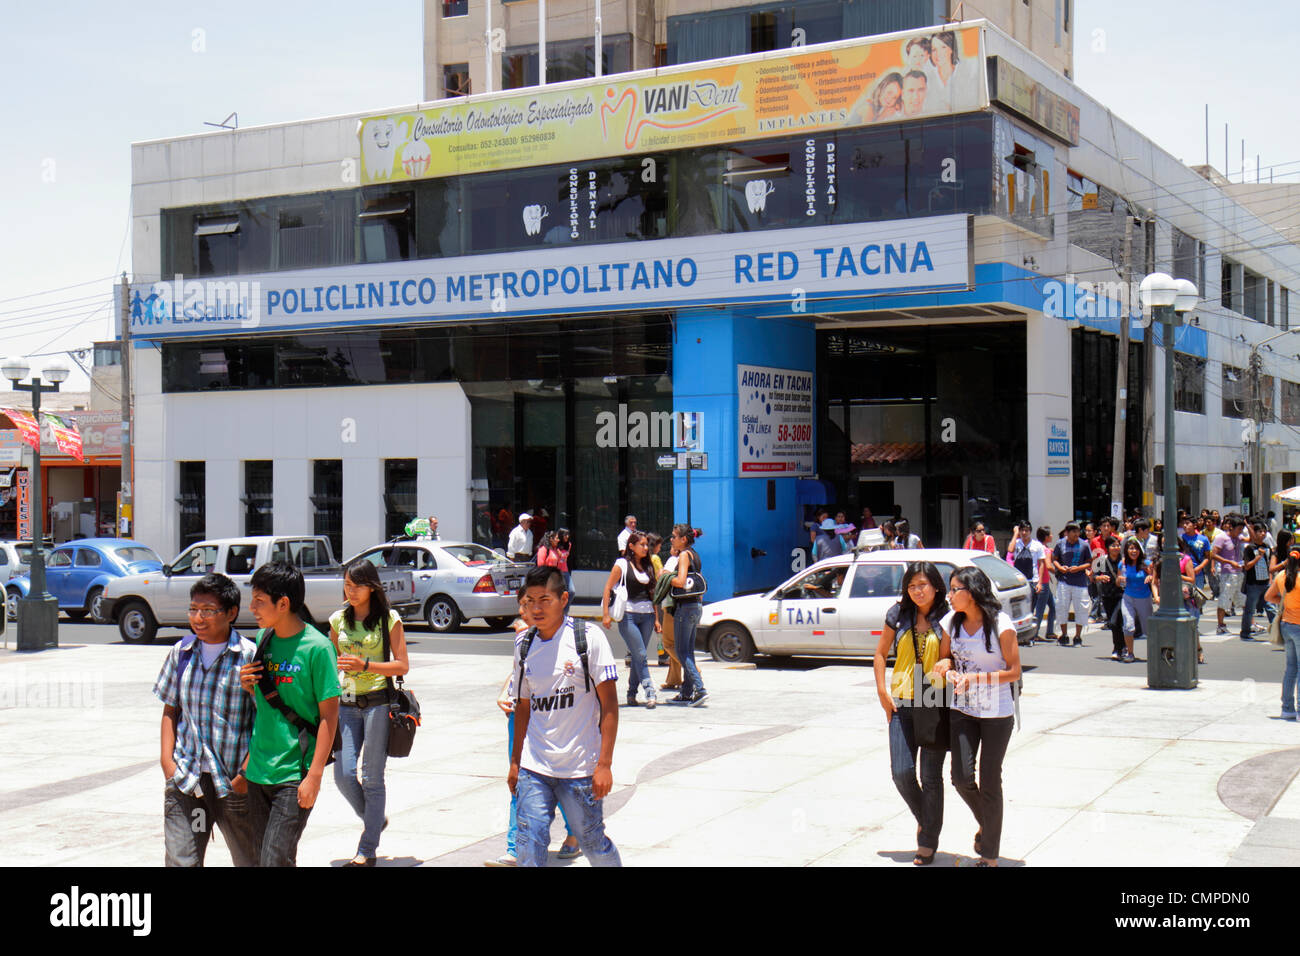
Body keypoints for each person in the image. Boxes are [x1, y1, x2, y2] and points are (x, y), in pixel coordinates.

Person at [509, 565, 622, 867]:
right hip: (536, 767)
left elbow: (610, 707)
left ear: (564, 599)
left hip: (580, 769)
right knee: (529, 842)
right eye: (530, 600)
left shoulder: (589, 638)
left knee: (592, 842)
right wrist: (516, 762)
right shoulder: (523, 644)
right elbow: (522, 706)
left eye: (544, 600)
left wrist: (605, 765)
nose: (536, 608)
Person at [238, 561, 340, 867]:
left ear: (283, 604)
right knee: (267, 860)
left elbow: (328, 717)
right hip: (259, 770)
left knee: (273, 860)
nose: (252, 607)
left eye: (259, 601)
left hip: (295, 773)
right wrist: (248, 685)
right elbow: (266, 702)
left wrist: (315, 776)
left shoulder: (318, 648)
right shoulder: (263, 640)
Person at [154, 572, 259, 867]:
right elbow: (170, 710)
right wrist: (168, 763)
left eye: (208, 611)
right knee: (182, 860)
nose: (198, 618)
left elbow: (263, 720)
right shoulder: (181, 653)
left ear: (231, 613)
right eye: (194, 609)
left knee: (250, 860)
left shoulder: (249, 656)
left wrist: (245, 774)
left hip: (233, 785)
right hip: (188, 783)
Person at [933, 566, 1020, 867]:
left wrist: (977, 679)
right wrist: (945, 666)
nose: (950, 595)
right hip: (963, 709)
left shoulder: (1000, 624)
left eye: (955, 589)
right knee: (960, 777)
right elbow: (944, 657)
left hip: (997, 712)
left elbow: (1014, 671)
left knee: (990, 779)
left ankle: (989, 855)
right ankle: (988, 822)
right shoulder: (951, 622)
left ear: (971, 592)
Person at [328, 559, 409, 867]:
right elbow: (330, 660)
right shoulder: (337, 620)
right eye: (346, 585)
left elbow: (402, 665)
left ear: (372, 586)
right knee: (343, 775)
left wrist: (365, 665)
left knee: (372, 778)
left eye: (356, 585)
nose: (350, 591)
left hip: (377, 703)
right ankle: (374, 819)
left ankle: (367, 849)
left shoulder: (389, 619)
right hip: (346, 703)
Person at [488, 606, 580, 866]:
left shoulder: (562, 640)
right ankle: (514, 848)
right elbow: (519, 675)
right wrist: (504, 693)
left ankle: (575, 832)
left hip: (546, 720)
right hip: (519, 717)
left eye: (526, 607)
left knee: (553, 782)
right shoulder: (522, 640)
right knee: (519, 781)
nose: (521, 613)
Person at [874, 562, 949, 865]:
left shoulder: (947, 615)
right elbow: (881, 653)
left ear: (935, 586)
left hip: (932, 694)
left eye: (923, 584)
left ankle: (927, 842)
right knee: (901, 773)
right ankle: (928, 822)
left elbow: (951, 657)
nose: (918, 591)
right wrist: (881, 690)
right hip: (901, 697)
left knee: (930, 777)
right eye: (912, 585)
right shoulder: (898, 614)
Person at [602, 531, 658, 709]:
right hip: (628, 615)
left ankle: (631, 694)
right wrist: (605, 614)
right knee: (641, 654)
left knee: (637, 656)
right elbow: (608, 588)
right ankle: (650, 691)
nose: (645, 547)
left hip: (648, 615)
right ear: (631, 546)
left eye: (646, 544)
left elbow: (653, 594)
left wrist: (657, 619)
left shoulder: (648, 566)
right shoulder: (622, 564)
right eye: (641, 544)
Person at [668, 524, 708, 706]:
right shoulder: (694, 555)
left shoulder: (684, 555)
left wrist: (665, 576)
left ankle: (700, 689)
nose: (671, 539)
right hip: (696, 606)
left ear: (683, 539)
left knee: (681, 651)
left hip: (685, 608)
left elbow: (681, 581)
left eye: (674, 536)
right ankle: (686, 692)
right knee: (688, 651)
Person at [1264, 543, 1300, 720]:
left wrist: (1286, 603)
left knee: (1291, 668)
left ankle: (1287, 707)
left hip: (1286, 624)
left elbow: (1269, 597)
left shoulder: (1282, 576)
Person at [1052, 523, 1092, 646]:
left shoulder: (1084, 545)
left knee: (1080, 609)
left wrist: (1079, 568)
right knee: (1062, 607)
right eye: (1073, 531)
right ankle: (1064, 635)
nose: (1076, 534)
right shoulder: (1060, 544)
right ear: (1067, 532)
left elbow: (1089, 562)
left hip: (1080, 582)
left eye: (1078, 531)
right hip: (1064, 581)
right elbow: (1054, 559)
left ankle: (1078, 637)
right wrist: (1060, 567)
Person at [1117, 538, 1155, 664]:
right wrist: (1120, 579)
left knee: (1148, 629)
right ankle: (1130, 652)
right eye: (1131, 548)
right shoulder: (1122, 564)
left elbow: (1154, 578)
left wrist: (1150, 576)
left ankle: (1154, 654)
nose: (1133, 551)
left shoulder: (1146, 564)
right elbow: (1117, 581)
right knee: (1128, 625)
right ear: (1126, 550)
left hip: (1144, 598)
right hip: (1128, 597)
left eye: (1136, 549)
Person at [656, 533, 683, 692]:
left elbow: (662, 575)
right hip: (681, 605)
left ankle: (693, 670)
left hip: (670, 604)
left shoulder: (673, 560)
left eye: (673, 541)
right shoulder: (689, 558)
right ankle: (673, 679)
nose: (671, 544)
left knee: (668, 643)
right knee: (676, 643)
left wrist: (662, 573)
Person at [1092, 537, 1126, 661]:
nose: (1116, 548)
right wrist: (1100, 578)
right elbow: (1093, 576)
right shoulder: (1102, 560)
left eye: (1118, 545)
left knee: (1114, 621)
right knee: (1116, 625)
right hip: (1107, 595)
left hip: (1122, 595)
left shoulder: (1123, 560)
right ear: (1107, 548)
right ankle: (1121, 647)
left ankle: (1118, 648)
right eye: (1113, 546)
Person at [1211, 514, 1245, 634]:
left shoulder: (1238, 538)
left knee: (1242, 599)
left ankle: (1249, 623)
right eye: (1238, 529)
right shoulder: (1222, 538)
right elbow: (1213, 554)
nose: (1240, 532)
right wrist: (1229, 562)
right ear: (1231, 527)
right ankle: (1220, 624)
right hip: (1227, 573)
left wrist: (1247, 524)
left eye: (1241, 529)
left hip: (1239, 573)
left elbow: (1252, 539)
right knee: (1224, 599)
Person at [1240, 520, 1272, 641]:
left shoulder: (1267, 547)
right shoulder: (1250, 548)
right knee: (1250, 609)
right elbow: (1247, 566)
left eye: (1264, 531)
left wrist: (1271, 579)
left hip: (1266, 582)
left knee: (1271, 608)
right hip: (1253, 583)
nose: (1263, 534)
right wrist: (1258, 556)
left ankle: (1278, 632)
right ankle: (1245, 633)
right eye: (1260, 531)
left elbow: (1270, 564)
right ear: (1255, 533)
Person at [1031, 526, 1056, 641]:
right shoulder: (1045, 550)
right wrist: (1060, 572)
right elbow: (1048, 565)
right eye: (1050, 534)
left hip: (1043, 581)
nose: (1052, 536)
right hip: (1044, 583)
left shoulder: (1038, 547)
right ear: (1046, 537)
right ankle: (1034, 634)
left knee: (1053, 606)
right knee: (1040, 610)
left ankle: (1050, 632)